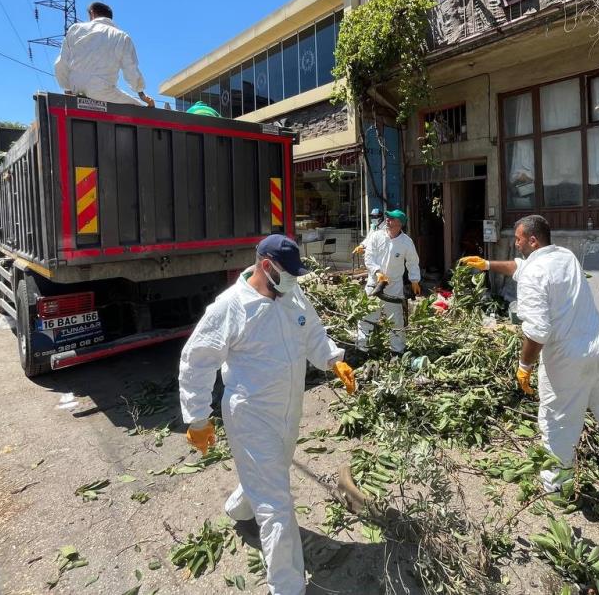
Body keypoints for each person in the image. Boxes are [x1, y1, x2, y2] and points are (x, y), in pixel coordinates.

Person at [178, 234, 356, 595]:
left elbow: (313, 332)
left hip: (289, 409)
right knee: (276, 504)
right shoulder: (229, 308)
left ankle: (239, 509)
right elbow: (196, 362)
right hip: (251, 414)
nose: (294, 281)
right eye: (288, 274)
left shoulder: (291, 295)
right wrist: (198, 418)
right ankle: (287, 586)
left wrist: (333, 360)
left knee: (267, 475)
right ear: (266, 267)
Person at [460, 215, 599, 510]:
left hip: (567, 363)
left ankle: (556, 491)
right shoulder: (564, 257)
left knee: (558, 427)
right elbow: (520, 266)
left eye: (517, 239)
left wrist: (524, 366)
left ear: (533, 240)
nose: (514, 243)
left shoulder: (534, 274)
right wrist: (488, 265)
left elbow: (537, 331)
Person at [54, 1, 155, 108]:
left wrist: (68, 90)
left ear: (92, 13)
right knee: (139, 109)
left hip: (76, 87)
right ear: (110, 17)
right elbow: (131, 69)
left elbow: (60, 63)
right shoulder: (121, 36)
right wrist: (141, 94)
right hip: (102, 91)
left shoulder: (75, 29)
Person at [356, 209, 421, 357]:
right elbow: (369, 257)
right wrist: (377, 272)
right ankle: (362, 349)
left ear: (400, 224)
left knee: (396, 320)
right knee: (366, 317)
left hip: (394, 287)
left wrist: (415, 280)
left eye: (391, 219)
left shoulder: (406, 242)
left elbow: (412, 262)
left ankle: (397, 351)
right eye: (388, 218)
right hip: (374, 284)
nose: (387, 220)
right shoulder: (377, 236)